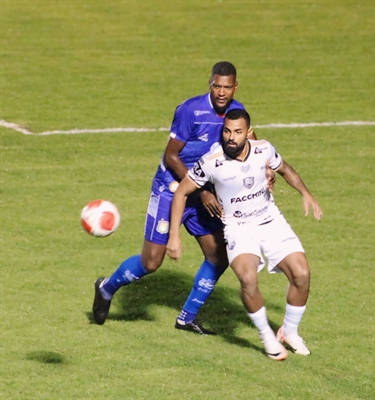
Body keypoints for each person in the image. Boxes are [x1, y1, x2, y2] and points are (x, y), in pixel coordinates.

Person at [92, 61, 257, 333]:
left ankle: (187, 317)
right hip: (171, 188)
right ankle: (106, 288)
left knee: (218, 256)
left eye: (227, 87)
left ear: (235, 87)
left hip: (203, 193)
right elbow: (171, 155)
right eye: (217, 86)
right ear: (210, 84)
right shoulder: (190, 110)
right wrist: (201, 189)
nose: (221, 92)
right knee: (151, 262)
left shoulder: (236, 115)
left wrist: (265, 168)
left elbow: (247, 145)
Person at [166, 109, 323, 361]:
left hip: (269, 220)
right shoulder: (211, 161)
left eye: (237, 132)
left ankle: (289, 332)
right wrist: (174, 234)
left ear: (247, 132)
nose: (231, 137)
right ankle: (267, 337)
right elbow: (181, 193)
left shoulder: (263, 149)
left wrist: (306, 194)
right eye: (227, 131)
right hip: (238, 227)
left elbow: (285, 168)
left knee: (302, 274)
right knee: (248, 279)